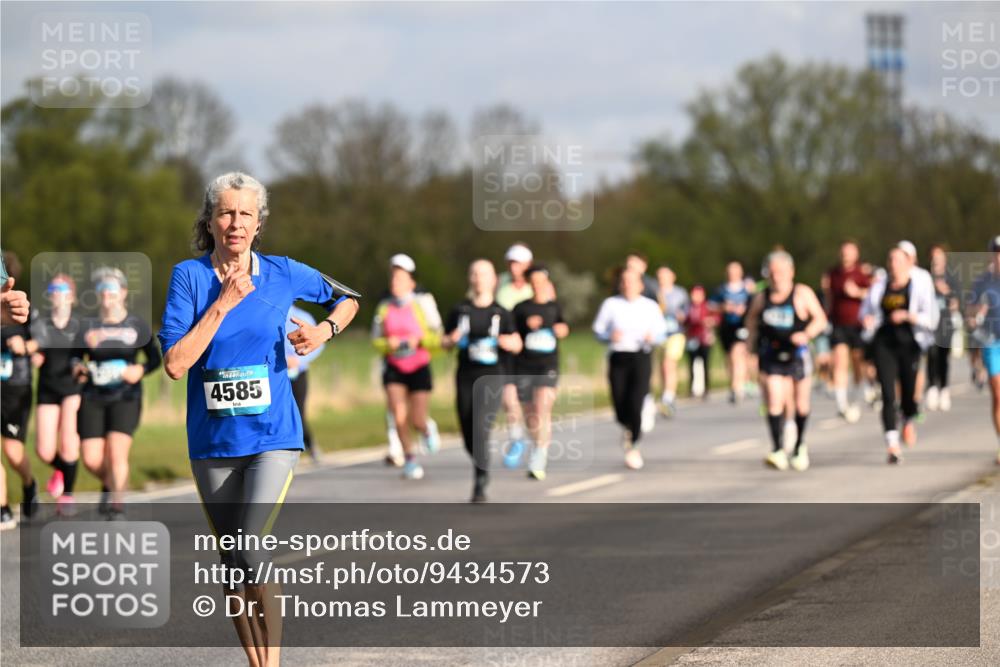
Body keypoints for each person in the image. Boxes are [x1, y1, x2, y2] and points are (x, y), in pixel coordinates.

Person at [160, 172, 360, 667]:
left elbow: (349, 297)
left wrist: (324, 332)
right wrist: (223, 304)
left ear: (258, 224)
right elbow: (176, 363)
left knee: (249, 545)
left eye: (246, 214)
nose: (235, 223)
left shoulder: (284, 272)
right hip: (212, 441)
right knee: (232, 563)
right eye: (226, 212)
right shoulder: (189, 277)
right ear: (209, 220)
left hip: (274, 434)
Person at [73, 267, 162, 517]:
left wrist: (140, 369)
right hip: (93, 395)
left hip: (126, 396)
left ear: (123, 292)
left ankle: (117, 506)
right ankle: (111, 484)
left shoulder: (136, 325)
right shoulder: (88, 325)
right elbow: (75, 358)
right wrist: (78, 368)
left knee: (116, 451)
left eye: (112, 289)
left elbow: (155, 359)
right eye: (102, 289)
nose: (106, 294)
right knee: (91, 458)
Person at [443, 259, 521, 502]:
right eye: (475, 273)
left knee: (481, 427)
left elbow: (517, 343)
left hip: (492, 375)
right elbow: (443, 342)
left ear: (493, 280)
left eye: (484, 274)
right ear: (470, 278)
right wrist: (451, 339)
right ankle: (481, 463)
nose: (479, 278)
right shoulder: (460, 311)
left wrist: (509, 342)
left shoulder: (501, 313)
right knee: (467, 428)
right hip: (466, 374)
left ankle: (480, 480)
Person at [746, 251, 827, 472]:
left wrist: (807, 334)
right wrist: (750, 352)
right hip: (772, 355)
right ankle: (778, 449)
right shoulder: (762, 298)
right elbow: (751, 322)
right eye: (772, 272)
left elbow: (820, 319)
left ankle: (800, 446)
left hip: (798, 354)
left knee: (801, 404)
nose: (776, 277)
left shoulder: (801, 294)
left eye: (780, 272)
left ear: (790, 272)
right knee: (774, 400)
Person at [860, 246, 939, 464]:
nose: (893, 264)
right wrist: (867, 321)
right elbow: (865, 312)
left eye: (898, 260)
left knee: (909, 392)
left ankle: (908, 419)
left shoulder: (919, 285)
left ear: (908, 263)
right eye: (891, 259)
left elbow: (932, 318)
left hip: (910, 343)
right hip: (884, 344)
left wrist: (908, 316)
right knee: (887, 393)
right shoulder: (879, 287)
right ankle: (892, 444)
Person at [371, 253, 443, 481]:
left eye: (401, 279)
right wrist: (388, 344)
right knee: (399, 415)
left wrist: (418, 340)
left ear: (411, 282)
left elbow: (438, 337)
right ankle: (410, 459)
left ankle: (426, 428)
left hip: (419, 365)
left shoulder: (422, 303)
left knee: (417, 419)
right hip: (394, 367)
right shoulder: (384, 307)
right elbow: (376, 341)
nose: (395, 283)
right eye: (393, 279)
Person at [592, 267, 668, 470]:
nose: (627, 285)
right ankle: (627, 426)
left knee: (636, 401)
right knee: (619, 402)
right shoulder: (611, 304)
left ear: (640, 285)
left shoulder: (650, 306)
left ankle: (634, 445)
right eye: (624, 281)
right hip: (618, 356)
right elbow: (597, 331)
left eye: (632, 281)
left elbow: (663, 333)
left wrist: (653, 338)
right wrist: (608, 336)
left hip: (641, 355)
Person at [31, 275, 83, 511]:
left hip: (72, 389)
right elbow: (35, 350)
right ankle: (61, 471)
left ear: (71, 296)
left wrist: (82, 367)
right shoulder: (41, 323)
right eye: (53, 289)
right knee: (43, 449)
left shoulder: (79, 325)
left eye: (62, 289)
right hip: (47, 388)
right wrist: (34, 355)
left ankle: (67, 497)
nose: (57, 293)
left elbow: (86, 355)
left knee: (69, 443)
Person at [512, 264, 569, 480]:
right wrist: (526, 327)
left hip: (548, 364)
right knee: (530, 414)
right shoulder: (520, 309)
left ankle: (540, 454)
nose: (537, 286)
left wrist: (560, 330)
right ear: (529, 284)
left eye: (541, 282)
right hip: (525, 364)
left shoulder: (554, 307)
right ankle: (536, 441)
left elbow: (564, 327)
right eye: (533, 282)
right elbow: (513, 334)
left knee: (542, 407)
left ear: (547, 283)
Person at [0, 252, 38, 529]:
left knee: (13, 453)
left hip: (15, 387)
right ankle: (3, 508)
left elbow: (43, 339)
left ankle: (29, 483)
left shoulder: (20, 307)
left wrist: (24, 347)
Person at [822, 239, 872, 423]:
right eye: (843, 252)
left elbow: (872, 295)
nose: (845, 255)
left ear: (856, 254)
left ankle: (856, 399)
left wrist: (857, 292)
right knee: (839, 361)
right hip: (838, 324)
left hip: (858, 325)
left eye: (849, 252)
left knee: (858, 363)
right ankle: (841, 404)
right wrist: (826, 316)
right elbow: (829, 298)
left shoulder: (862, 273)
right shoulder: (832, 274)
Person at [495, 243, 534, 469]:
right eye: (510, 262)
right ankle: (516, 438)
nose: (514, 266)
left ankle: (537, 444)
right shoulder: (499, 282)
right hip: (505, 349)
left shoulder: (537, 284)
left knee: (528, 403)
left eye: (518, 262)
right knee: (508, 398)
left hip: (530, 352)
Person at [968, 236, 1000, 464]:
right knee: (998, 396)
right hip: (992, 342)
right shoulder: (982, 282)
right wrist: (975, 314)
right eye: (996, 252)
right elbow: (970, 314)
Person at [285, 304, 324, 463]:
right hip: (273, 373)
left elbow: (318, 343)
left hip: (298, 373)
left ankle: (310, 445)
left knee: (298, 413)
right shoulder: (265, 311)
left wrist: (298, 360)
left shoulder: (303, 317)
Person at [710, 261, 752, 404]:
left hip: (741, 326)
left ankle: (737, 387)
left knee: (737, 353)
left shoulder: (747, 290)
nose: (732, 275)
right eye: (730, 272)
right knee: (729, 358)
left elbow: (756, 305)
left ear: (740, 273)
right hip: (726, 327)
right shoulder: (721, 290)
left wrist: (744, 309)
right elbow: (710, 305)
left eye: (735, 272)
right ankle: (735, 382)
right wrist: (723, 307)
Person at [926, 244, 959, 412]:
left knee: (942, 357)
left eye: (939, 257)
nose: (936, 260)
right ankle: (931, 387)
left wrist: (946, 291)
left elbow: (956, 302)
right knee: (931, 355)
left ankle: (944, 389)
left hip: (945, 322)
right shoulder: (926, 277)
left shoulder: (951, 277)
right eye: (933, 257)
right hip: (929, 323)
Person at [656, 265, 688, 416]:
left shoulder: (680, 293)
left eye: (665, 276)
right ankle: (668, 394)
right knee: (662, 368)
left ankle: (667, 397)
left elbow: (688, 311)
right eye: (660, 277)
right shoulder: (653, 293)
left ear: (672, 277)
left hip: (676, 333)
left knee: (669, 364)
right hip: (658, 335)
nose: (662, 279)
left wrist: (682, 316)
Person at [684, 285, 716, 399]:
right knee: (692, 364)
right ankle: (692, 388)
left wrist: (710, 322)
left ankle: (706, 389)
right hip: (692, 338)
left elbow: (716, 318)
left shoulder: (708, 306)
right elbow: (686, 321)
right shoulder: (689, 307)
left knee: (705, 364)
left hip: (704, 339)